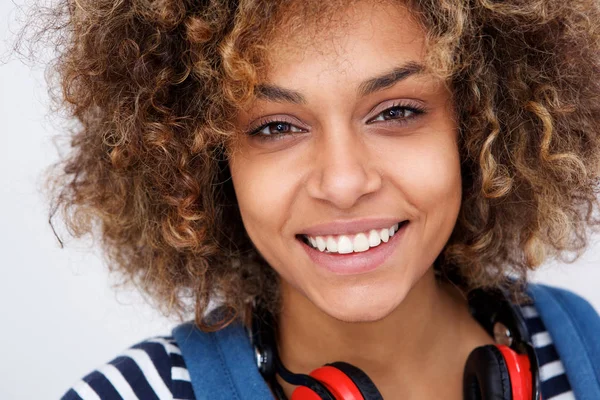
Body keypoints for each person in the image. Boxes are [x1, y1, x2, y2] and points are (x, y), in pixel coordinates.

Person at [32, 0, 600, 398]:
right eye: (276, 127)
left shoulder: (583, 347)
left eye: (397, 112)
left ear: (477, 124)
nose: (343, 182)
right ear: (205, 160)